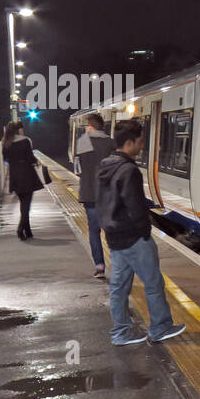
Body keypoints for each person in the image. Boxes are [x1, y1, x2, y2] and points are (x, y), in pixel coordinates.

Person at [96, 119, 186, 346]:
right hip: (134, 238)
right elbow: (135, 206)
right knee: (153, 283)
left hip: (114, 236)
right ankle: (160, 327)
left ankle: (120, 332)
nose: (142, 145)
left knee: (119, 287)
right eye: (140, 141)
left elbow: (100, 202)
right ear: (129, 143)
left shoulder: (105, 165)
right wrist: (145, 231)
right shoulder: (129, 170)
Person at [73, 112, 115, 278]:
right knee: (111, 230)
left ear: (89, 126)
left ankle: (99, 266)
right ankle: (117, 263)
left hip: (90, 193)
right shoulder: (111, 143)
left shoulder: (83, 141)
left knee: (94, 230)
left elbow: (77, 170)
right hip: (108, 194)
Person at [1, 121, 43, 240]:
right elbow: (30, 157)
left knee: (23, 203)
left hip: (14, 174)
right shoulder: (25, 141)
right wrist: (35, 162)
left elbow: (5, 159)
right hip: (27, 173)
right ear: (19, 129)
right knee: (26, 204)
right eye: (21, 128)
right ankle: (20, 229)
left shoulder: (6, 142)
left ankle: (28, 231)